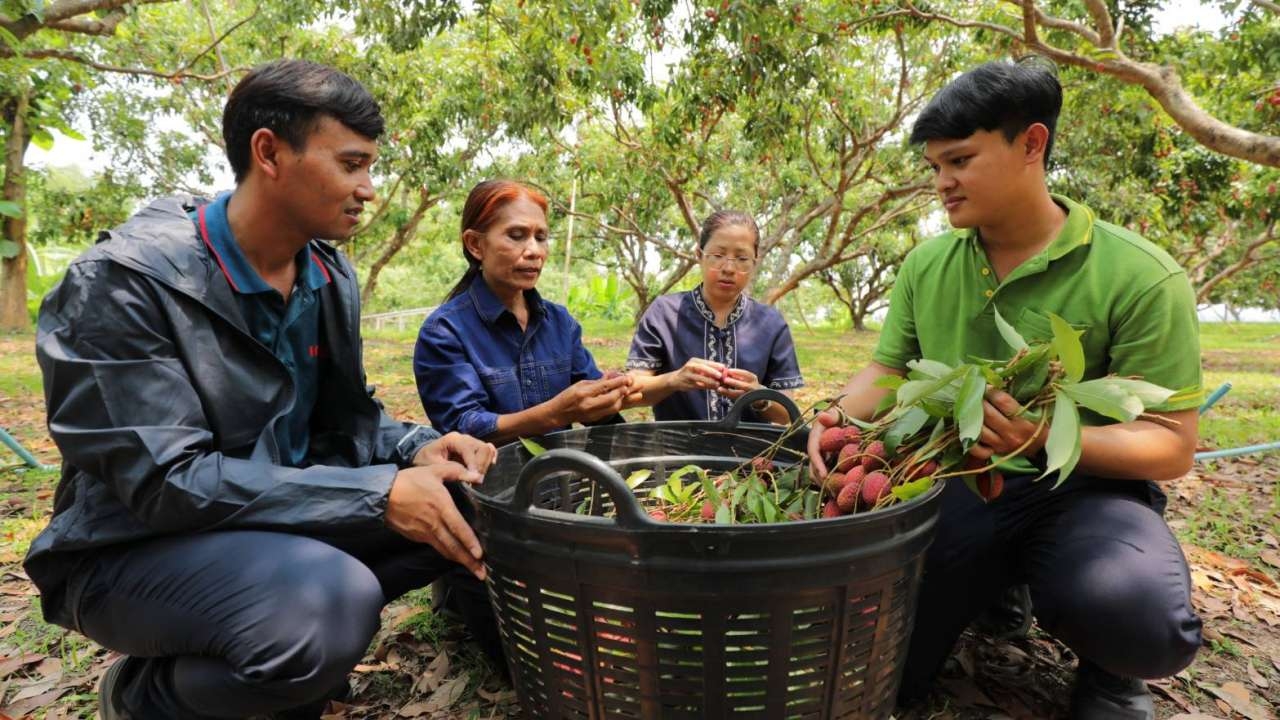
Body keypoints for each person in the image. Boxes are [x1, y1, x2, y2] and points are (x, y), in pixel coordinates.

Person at [26, 59, 499, 720]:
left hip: (268, 521)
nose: (368, 189)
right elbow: (166, 482)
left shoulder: (326, 276)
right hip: (125, 551)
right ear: (269, 152)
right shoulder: (124, 284)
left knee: (467, 504)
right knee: (325, 607)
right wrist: (376, 496)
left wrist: (421, 448)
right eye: (352, 164)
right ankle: (146, 698)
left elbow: (347, 421)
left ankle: (270, 656)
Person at [806, 59, 1202, 720]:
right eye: (934, 167)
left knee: (1139, 617)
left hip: (1080, 491)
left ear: (1032, 145)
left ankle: (1111, 670)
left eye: (959, 160)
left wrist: (1043, 436)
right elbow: (889, 372)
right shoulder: (928, 265)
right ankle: (990, 586)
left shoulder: (1139, 275)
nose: (942, 183)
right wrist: (831, 418)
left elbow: (1170, 446)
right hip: (962, 483)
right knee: (875, 673)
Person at [413, 179, 633, 444]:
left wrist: (606, 393)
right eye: (516, 236)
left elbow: (592, 407)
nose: (534, 251)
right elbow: (464, 425)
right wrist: (554, 414)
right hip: (489, 482)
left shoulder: (560, 323)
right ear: (475, 245)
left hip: (561, 478)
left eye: (541, 237)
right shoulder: (445, 332)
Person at [624, 210, 803, 424]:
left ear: (755, 262)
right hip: (677, 449)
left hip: (750, 453)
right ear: (699, 255)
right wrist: (675, 379)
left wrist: (758, 396)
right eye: (718, 256)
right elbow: (632, 392)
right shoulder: (664, 313)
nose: (728, 268)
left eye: (742, 258)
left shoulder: (771, 323)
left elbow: (787, 416)